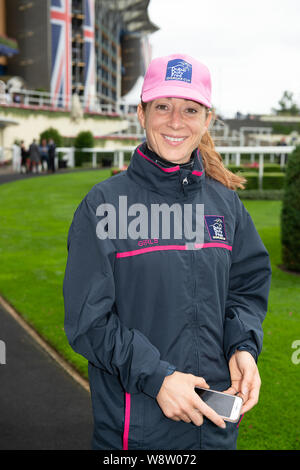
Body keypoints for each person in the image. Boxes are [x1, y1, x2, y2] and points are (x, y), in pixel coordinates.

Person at [63, 54, 271, 450]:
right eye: (163, 107)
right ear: (141, 114)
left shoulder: (226, 205)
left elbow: (246, 287)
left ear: (207, 120)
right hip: (135, 433)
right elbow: (88, 320)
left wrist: (243, 346)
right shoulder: (103, 205)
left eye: (190, 109)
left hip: (215, 427)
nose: (176, 122)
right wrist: (156, 377)